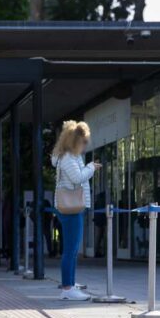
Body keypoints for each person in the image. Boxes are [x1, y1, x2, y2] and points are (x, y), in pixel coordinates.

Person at [52, 120, 100, 301]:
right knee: (70, 249)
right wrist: (91, 167)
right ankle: (67, 287)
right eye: (84, 141)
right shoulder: (68, 159)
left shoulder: (69, 157)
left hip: (71, 208)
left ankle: (69, 284)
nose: (85, 145)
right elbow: (77, 178)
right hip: (71, 209)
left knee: (71, 250)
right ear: (75, 141)